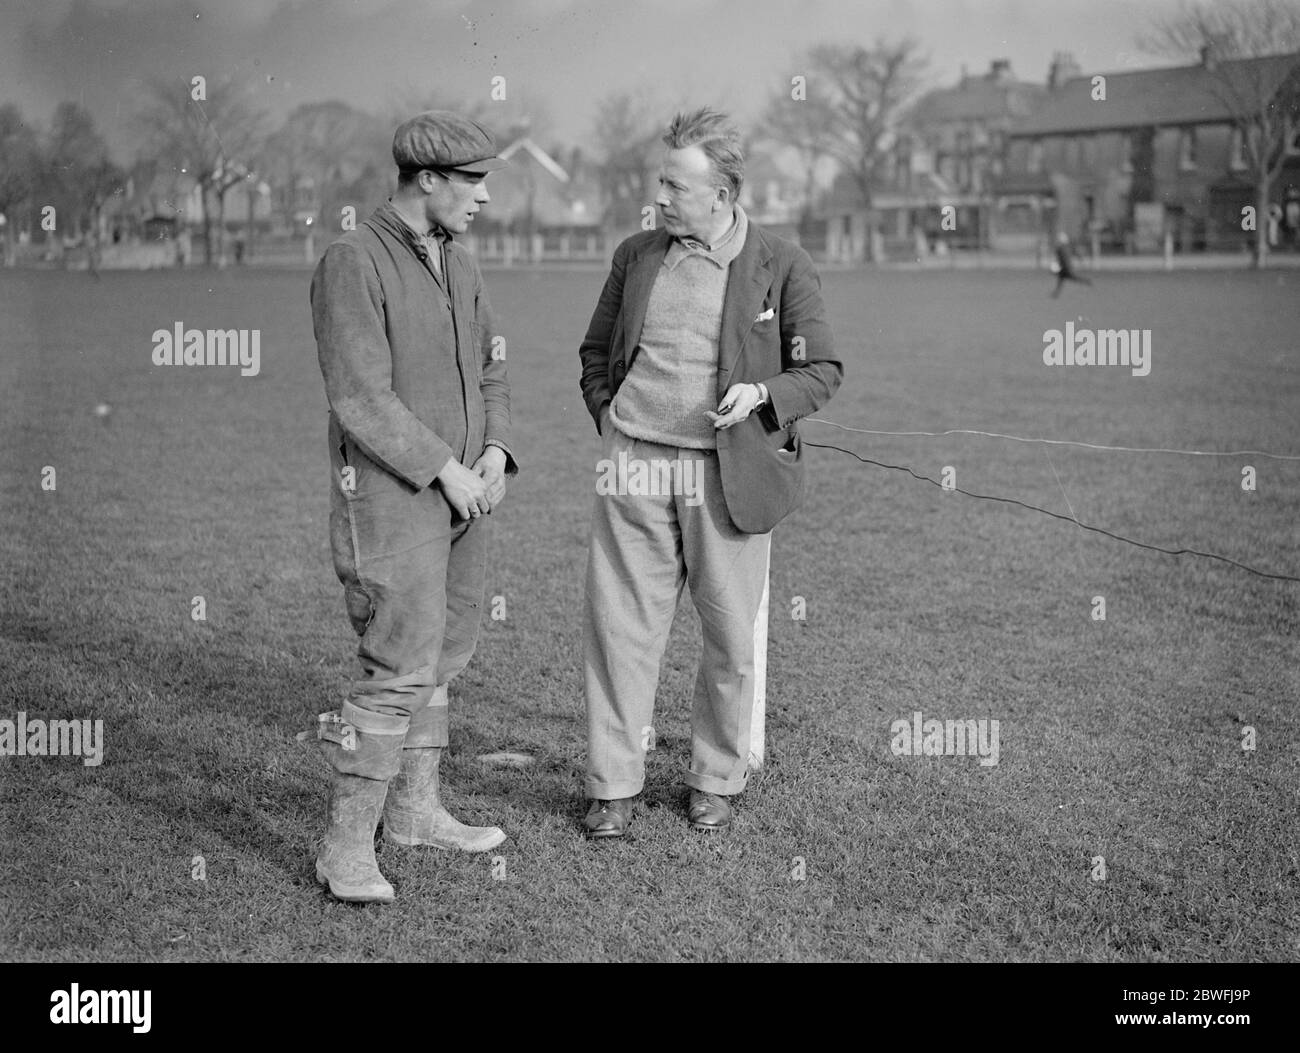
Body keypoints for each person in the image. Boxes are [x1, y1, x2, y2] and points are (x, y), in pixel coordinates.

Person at [577, 108, 842, 838]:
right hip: (634, 469)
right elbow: (595, 350)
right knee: (619, 629)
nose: (659, 198)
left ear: (723, 193)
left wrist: (763, 394)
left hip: (728, 477)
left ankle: (715, 778)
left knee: (728, 637)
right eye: (660, 182)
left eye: (675, 186)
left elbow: (821, 369)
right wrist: (611, 415)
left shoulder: (781, 263)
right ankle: (612, 785)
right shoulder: (635, 255)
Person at [307, 111, 516, 904]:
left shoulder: (461, 264)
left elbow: (495, 369)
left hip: (468, 492)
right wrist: (444, 469)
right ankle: (345, 848)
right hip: (393, 501)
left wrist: (494, 451)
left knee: (445, 653)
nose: (486, 198)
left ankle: (418, 813)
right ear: (427, 179)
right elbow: (360, 395)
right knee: (396, 664)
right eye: (474, 182)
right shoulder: (351, 260)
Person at [1050, 231, 1092, 297]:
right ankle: (1055, 294)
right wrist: (1080, 259)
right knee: (1061, 279)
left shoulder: (1061, 248)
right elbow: (1075, 253)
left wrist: (1054, 267)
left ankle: (1087, 281)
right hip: (1064, 268)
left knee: (1073, 278)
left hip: (1066, 268)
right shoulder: (1066, 247)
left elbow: (1059, 259)